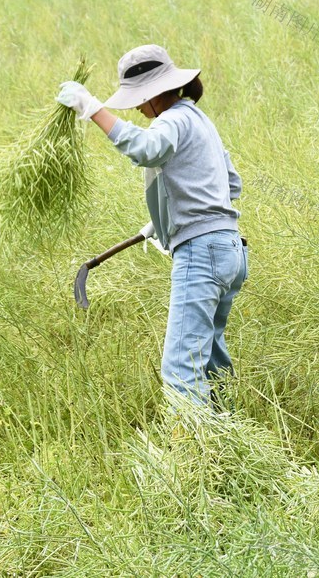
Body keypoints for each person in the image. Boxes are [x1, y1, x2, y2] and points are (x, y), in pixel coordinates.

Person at [56, 44, 248, 411]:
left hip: (202, 252)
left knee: (181, 369)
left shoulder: (171, 120)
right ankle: (227, 434)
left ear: (157, 93)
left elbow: (146, 149)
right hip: (230, 250)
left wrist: (93, 109)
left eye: (140, 100)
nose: (141, 110)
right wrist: (170, 215)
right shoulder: (201, 121)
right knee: (209, 359)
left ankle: (195, 456)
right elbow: (231, 184)